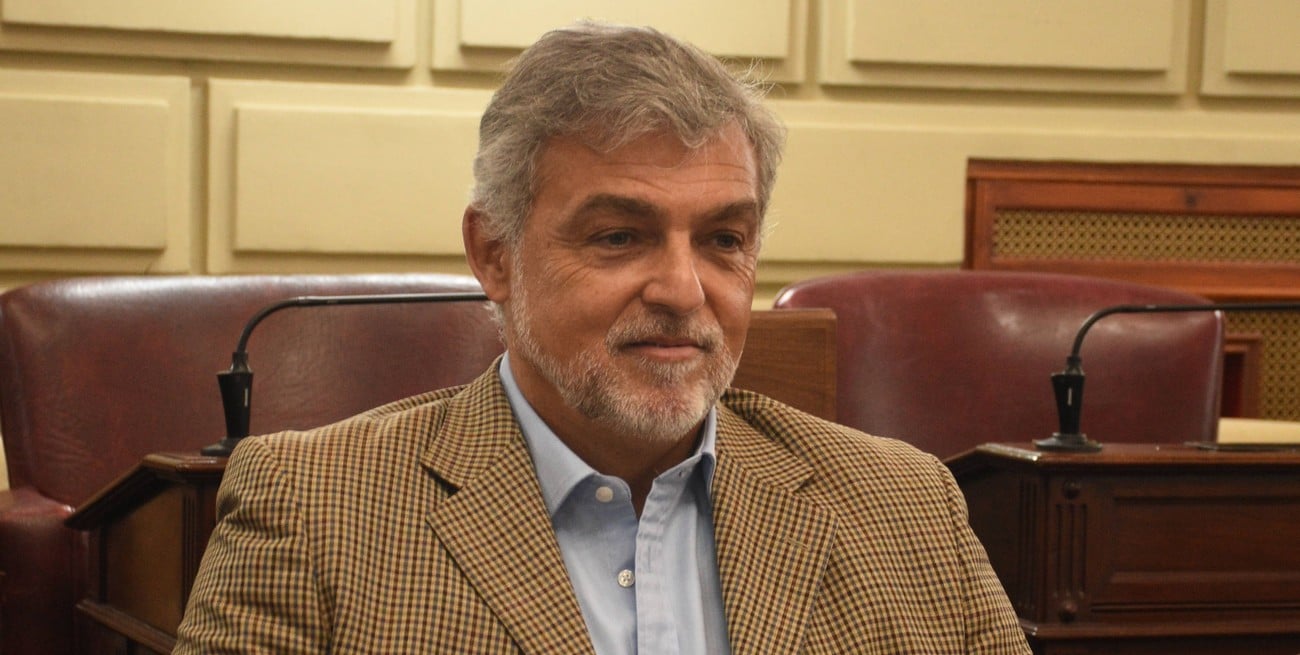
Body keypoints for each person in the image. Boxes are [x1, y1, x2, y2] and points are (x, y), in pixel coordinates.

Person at [174, 22, 1031, 654]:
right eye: (620, 236)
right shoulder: (314, 510)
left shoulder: (906, 506)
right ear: (495, 254)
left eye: (723, 239)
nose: (683, 290)